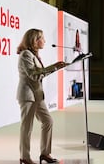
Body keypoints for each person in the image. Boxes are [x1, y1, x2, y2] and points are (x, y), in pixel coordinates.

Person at [16, 28, 67, 164]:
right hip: (28, 95)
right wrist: (54, 67)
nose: (44, 41)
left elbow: (39, 73)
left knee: (48, 121)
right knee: (27, 127)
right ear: (34, 40)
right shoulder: (26, 54)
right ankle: (24, 157)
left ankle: (45, 153)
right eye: (42, 38)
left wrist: (55, 67)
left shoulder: (34, 55)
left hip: (37, 95)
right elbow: (34, 75)